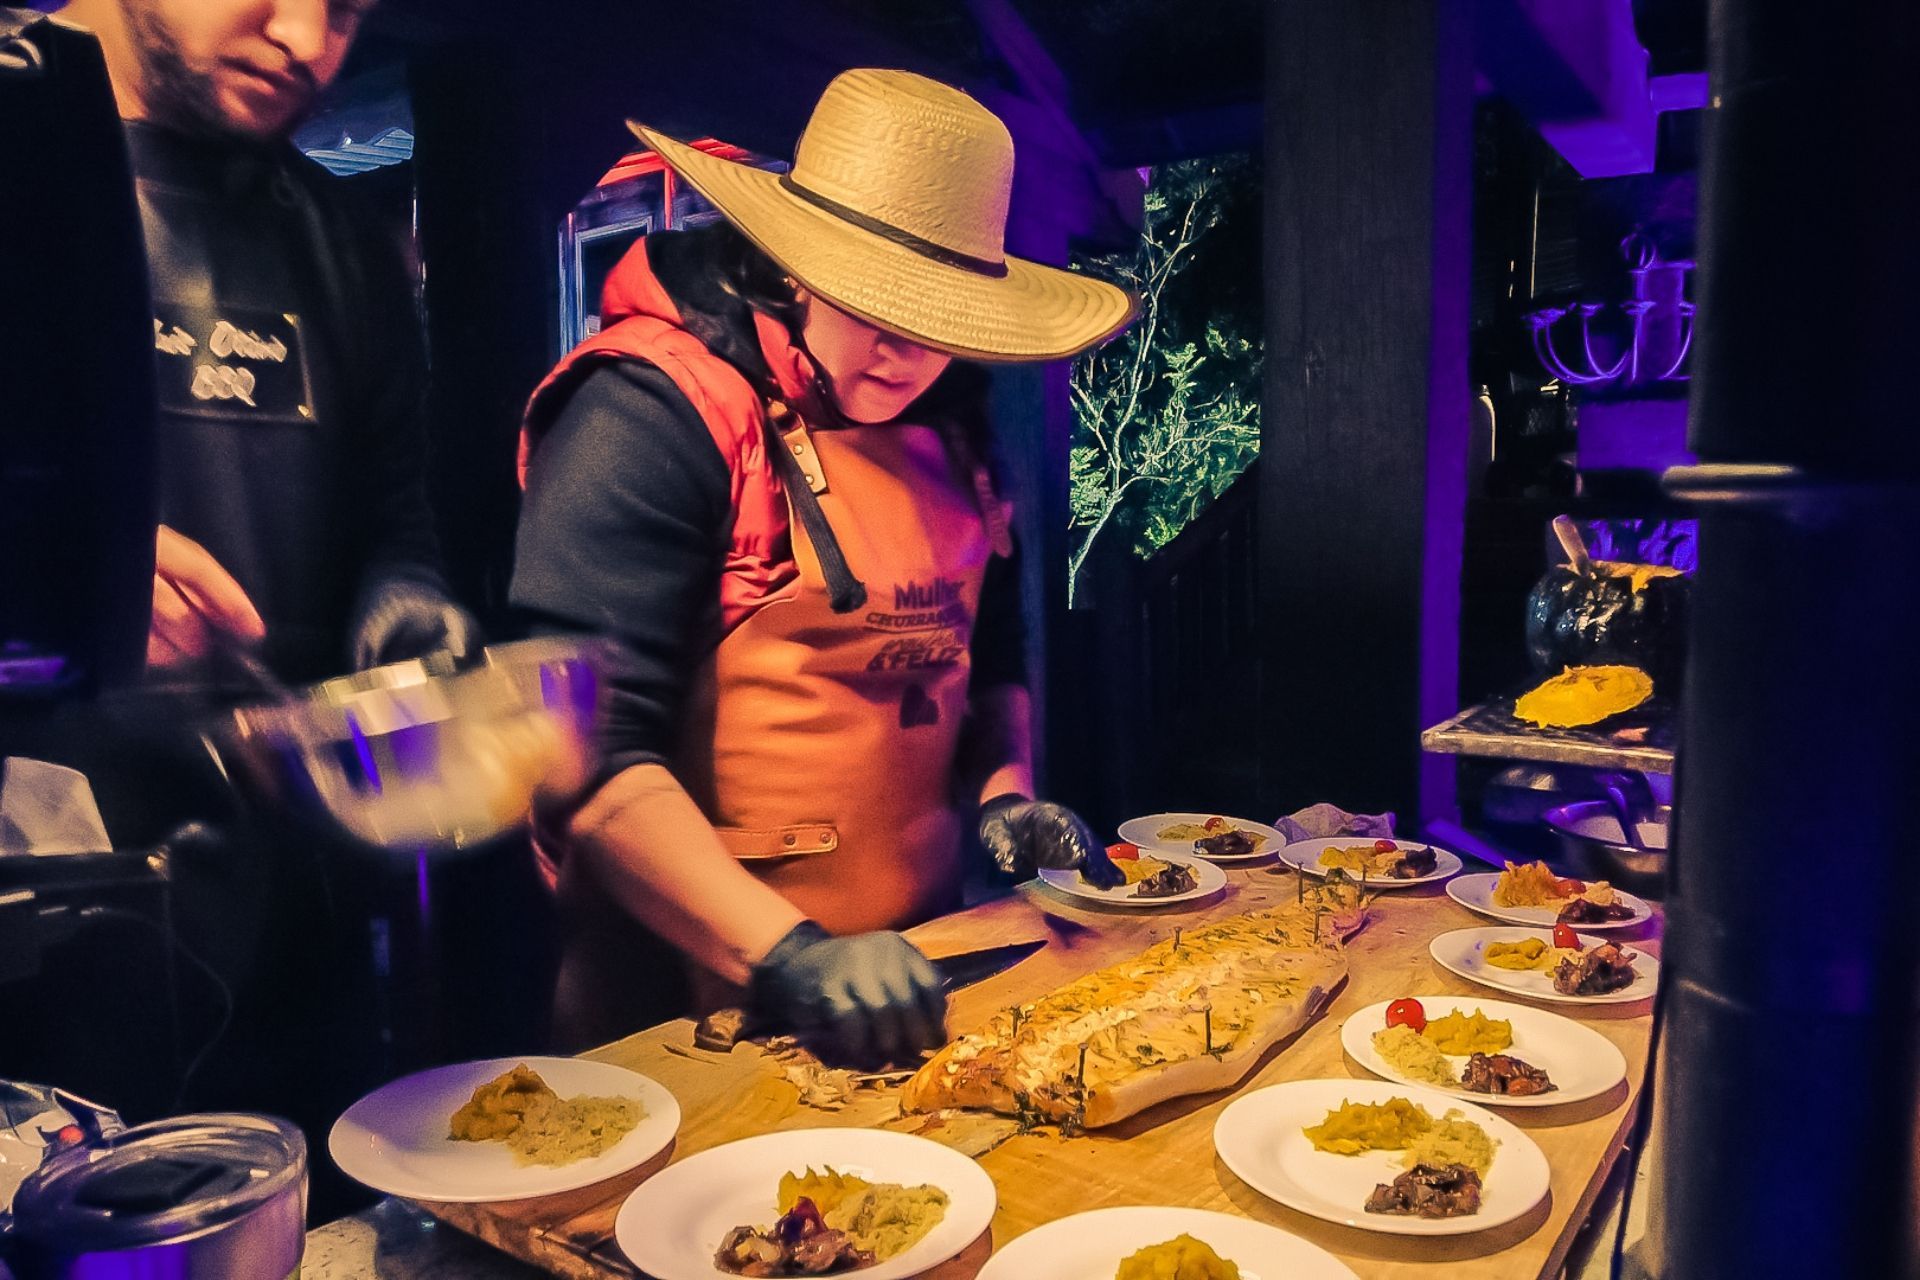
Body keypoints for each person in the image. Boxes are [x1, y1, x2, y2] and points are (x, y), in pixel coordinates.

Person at [513, 68, 1138, 1064]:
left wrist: (1006, 800)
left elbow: (990, 656)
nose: (906, 351)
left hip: (918, 973)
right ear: (794, 262)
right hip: (689, 1007)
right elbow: (576, 749)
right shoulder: (642, 414)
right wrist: (787, 954)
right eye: (876, 304)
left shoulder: (951, 423)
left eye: (940, 321)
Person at [62, 0, 474, 684]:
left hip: (277, 782)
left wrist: (404, 622)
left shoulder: (348, 247)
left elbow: (392, 532)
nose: (306, 39)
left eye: (344, 9)